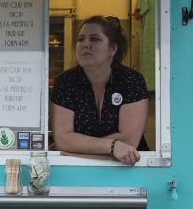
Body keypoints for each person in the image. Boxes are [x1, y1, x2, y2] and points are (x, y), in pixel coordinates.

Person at [50, 15, 149, 166]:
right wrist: (113, 145)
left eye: (94, 39)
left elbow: (129, 140)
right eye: (81, 39)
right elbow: (63, 140)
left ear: (113, 49)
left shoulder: (131, 81)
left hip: (128, 168)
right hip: (78, 169)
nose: (85, 44)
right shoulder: (66, 82)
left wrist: (75, 146)